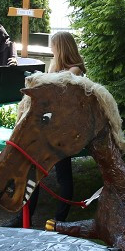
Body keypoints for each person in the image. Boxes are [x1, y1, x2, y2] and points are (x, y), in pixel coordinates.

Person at [43, 31, 86, 222]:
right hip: (52, 129)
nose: (51, 50)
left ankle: (59, 220)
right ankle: (22, 217)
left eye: (53, 46)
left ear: (60, 47)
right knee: (35, 172)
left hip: (64, 132)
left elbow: (55, 89)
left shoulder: (75, 70)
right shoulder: (55, 67)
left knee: (63, 176)